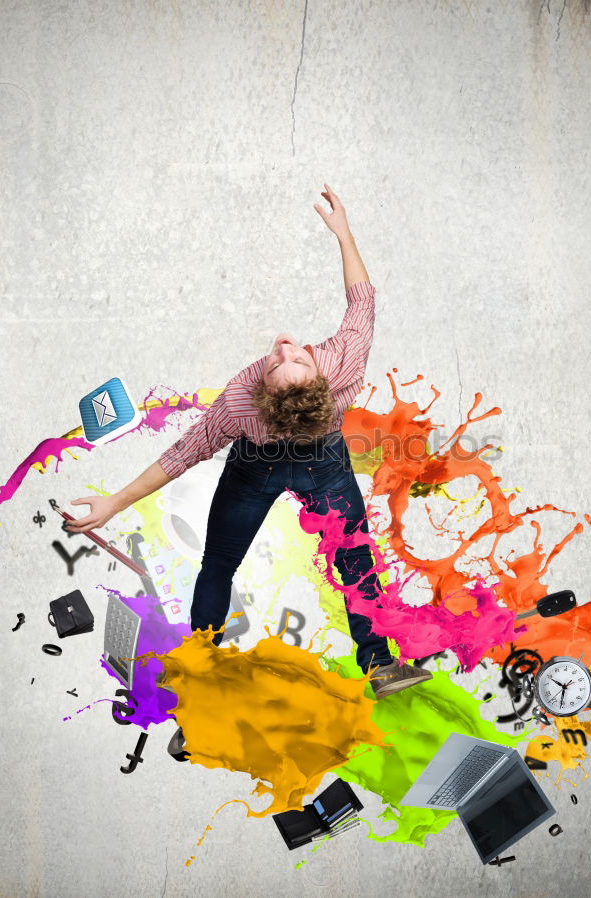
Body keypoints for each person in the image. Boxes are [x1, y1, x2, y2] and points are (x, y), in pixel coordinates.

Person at [67, 184, 432, 759]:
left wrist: (111, 504)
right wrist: (344, 234)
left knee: (355, 560)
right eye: (287, 358)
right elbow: (362, 300)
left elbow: (184, 451)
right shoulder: (326, 367)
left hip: (317, 466)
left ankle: (378, 663)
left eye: (288, 358)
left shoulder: (254, 394)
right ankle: (205, 679)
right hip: (269, 468)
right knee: (220, 563)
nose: (286, 348)